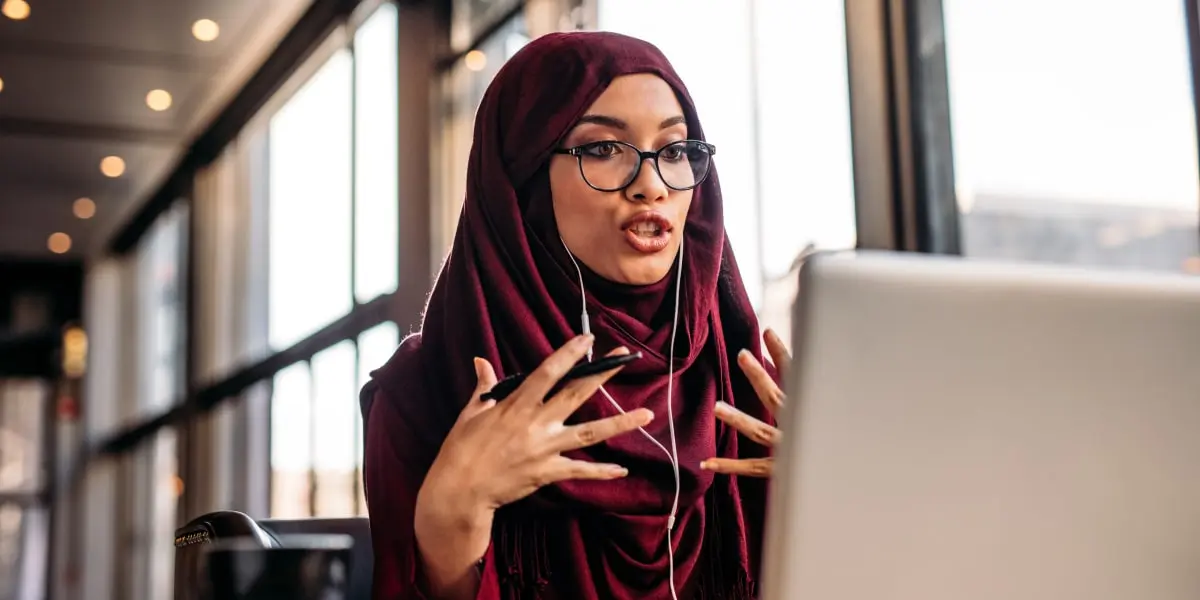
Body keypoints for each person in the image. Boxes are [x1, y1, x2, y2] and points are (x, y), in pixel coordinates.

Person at [361, 31, 791, 600]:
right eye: (603, 149)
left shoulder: (745, 385)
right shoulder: (428, 391)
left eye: (674, 150)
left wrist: (837, 506)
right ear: (522, 179)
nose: (650, 185)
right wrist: (452, 518)